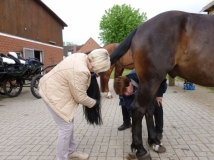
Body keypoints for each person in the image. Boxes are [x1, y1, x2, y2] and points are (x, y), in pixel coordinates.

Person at [38, 48, 110, 160]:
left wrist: (91, 74)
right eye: (98, 69)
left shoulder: (81, 56)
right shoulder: (81, 71)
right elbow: (80, 97)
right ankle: (61, 158)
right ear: (95, 64)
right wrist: (94, 103)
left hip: (54, 88)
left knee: (69, 121)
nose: (98, 72)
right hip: (52, 94)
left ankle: (71, 152)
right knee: (66, 127)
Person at [113, 69, 167, 140]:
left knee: (157, 105)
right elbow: (130, 107)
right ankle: (127, 123)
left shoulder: (142, 75)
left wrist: (159, 95)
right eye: (123, 93)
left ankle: (159, 131)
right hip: (139, 91)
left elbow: (162, 79)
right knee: (124, 101)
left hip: (151, 88)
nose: (126, 93)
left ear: (129, 83)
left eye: (126, 91)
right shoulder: (124, 90)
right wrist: (136, 122)